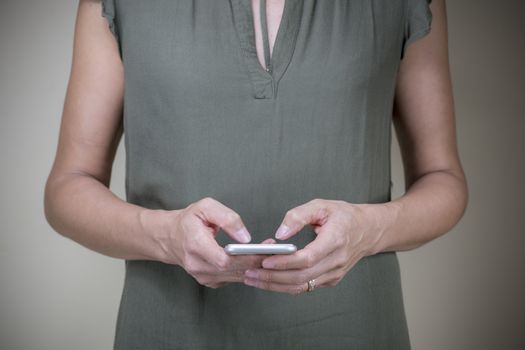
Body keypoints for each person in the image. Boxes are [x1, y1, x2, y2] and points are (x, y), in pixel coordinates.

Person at [44, 0, 468, 348]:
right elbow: (68, 187)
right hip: (170, 332)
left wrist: (367, 230)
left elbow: (443, 178)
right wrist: (166, 236)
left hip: (353, 331)